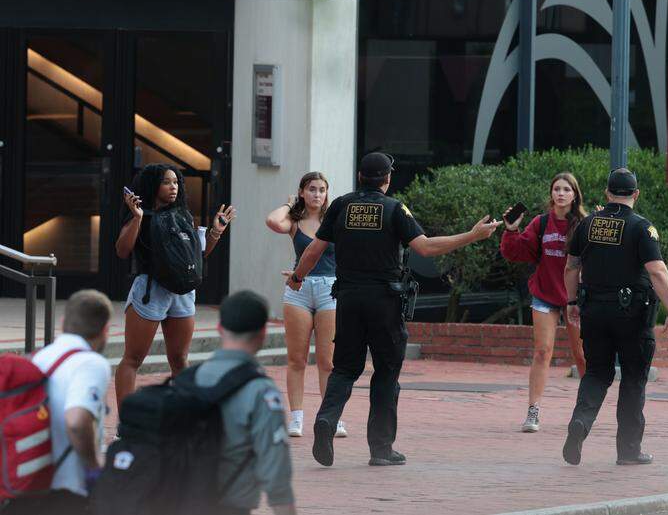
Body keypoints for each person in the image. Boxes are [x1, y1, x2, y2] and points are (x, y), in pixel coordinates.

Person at [286, 152, 500, 468]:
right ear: (387, 179)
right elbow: (425, 247)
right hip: (384, 301)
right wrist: (472, 235)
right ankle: (381, 448)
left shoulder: (342, 205)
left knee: (344, 368)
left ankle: (327, 420)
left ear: (360, 177)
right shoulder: (394, 208)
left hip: (347, 299)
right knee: (386, 371)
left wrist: (297, 278)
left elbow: (314, 249)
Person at [561, 168, 668, 466]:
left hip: (593, 312)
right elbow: (657, 271)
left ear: (607, 193)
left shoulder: (586, 225)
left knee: (597, 373)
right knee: (632, 380)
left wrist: (572, 301)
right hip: (632, 315)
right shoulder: (642, 228)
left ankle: (580, 423)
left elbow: (571, 267)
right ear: (635, 195)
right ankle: (628, 451)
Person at [115, 163, 235, 406]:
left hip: (182, 292)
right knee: (133, 358)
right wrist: (137, 218)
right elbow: (122, 250)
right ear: (152, 185)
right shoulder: (141, 215)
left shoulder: (183, 216)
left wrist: (215, 232)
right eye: (166, 182)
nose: (173, 187)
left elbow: (196, 257)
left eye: (176, 182)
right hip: (151, 290)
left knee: (180, 359)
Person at [8, 291, 113, 515]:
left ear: (63, 323)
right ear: (105, 330)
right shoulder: (92, 363)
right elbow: (76, 421)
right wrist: (94, 465)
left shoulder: (39, 356)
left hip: (29, 481)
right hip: (66, 487)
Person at [500, 172, 589, 432]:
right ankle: (533, 411)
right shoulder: (540, 223)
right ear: (551, 193)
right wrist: (511, 228)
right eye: (556, 189)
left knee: (582, 355)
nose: (560, 193)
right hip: (545, 294)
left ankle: (585, 411)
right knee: (542, 352)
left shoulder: (583, 224)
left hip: (575, 297)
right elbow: (515, 252)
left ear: (575, 195)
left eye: (566, 189)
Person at [196, 290, 297, 515]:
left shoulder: (189, 379)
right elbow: (275, 468)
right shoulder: (261, 392)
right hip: (230, 504)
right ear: (263, 332)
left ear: (220, 328)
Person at [265, 171, 346, 438]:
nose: (317, 194)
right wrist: (290, 204)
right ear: (302, 192)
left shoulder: (333, 221)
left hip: (329, 289)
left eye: (322, 190)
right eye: (312, 189)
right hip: (298, 290)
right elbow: (273, 221)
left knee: (327, 361)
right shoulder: (295, 221)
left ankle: (330, 418)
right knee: (296, 359)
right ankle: (296, 418)